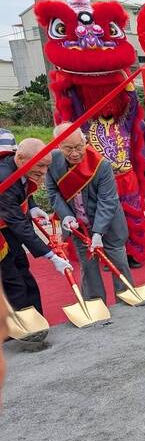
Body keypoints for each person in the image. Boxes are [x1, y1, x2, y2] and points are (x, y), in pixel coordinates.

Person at [46, 123, 134, 305]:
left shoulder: (100, 164)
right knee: (88, 267)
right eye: (68, 148)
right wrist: (66, 215)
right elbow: (53, 192)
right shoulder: (52, 161)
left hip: (108, 223)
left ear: (84, 141)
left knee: (118, 261)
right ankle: (95, 303)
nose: (75, 153)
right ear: (58, 146)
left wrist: (98, 233)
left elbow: (107, 201)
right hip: (78, 225)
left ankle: (127, 300)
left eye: (79, 146)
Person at [0, 138, 70, 313]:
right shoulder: (4, 178)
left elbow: (21, 189)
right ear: (21, 158)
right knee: (12, 282)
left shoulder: (17, 166)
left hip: (10, 228)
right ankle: (22, 332)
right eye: (40, 166)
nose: (44, 172)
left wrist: (32, 207)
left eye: (47, 166)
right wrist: (51, 256)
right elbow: (18, 224)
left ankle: (37, 323)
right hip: (4, 235)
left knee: (24, 273)